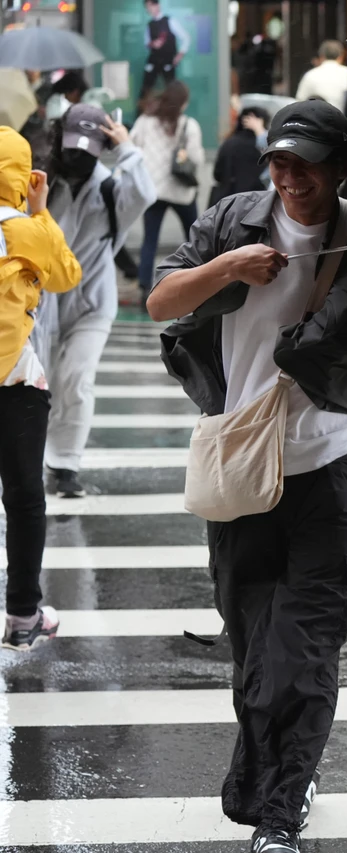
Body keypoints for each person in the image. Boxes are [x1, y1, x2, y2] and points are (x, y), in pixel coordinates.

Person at [147, 99, 347, 853]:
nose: (290, 177)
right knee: (252, 647)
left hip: (331, 465)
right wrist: (227, 268)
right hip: (242, 469)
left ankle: (281, 811)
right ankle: (271, 774)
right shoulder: (232, 221)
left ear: (341, 167)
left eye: (306, 163)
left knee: (303, 650)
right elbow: (160, 301)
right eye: (279, 161)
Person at [39, 105, 156, 498]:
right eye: (73, 147)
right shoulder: (44, 182)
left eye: (89, 150)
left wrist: (128, 149)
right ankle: (39, 454)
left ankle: (65, 463)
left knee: (75, 378)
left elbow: (144, 194)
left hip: (92, 302)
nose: (79, 158)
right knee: (44, 382)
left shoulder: (110, 187)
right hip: (42, 303)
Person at [0, 126, 83, 650]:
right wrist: (41, 210)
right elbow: (66, 275)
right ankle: (24, 616)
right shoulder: (28, 231)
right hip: (17, 384)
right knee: (25, 499)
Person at [131, 80, 203, 302]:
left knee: (150, 240)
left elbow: (132, 147)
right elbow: (198, 159)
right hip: (181, 191)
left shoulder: (145, 122)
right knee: (196, 237)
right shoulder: (189, 125)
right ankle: (200, 279)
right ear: (182, 103)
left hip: (154, 190)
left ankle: (145, 286)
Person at [209, 106, 269, 207]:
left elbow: (217, 174)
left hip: (226, 203)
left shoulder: (228, 143)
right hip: (255, 204)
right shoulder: (264, 148)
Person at [140, 0, 191, 101]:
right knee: (146, 88)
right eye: (147, 7)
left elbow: (186, 38)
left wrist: (179, 56)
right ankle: (142, 113)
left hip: (168, 60)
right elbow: (147, 43)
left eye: (151, 6)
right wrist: (153, 44)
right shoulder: (150, 25)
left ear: (157, 5)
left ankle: (171, 114)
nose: (149, 9)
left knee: (171, 89)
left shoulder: (170, 21)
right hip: (154, 60)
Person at [295, 41, 347, 110]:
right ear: (341, 56)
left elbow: (299, 103)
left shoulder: (310, 75)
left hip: (317, 119)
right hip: (344, 119)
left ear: (321, 56)